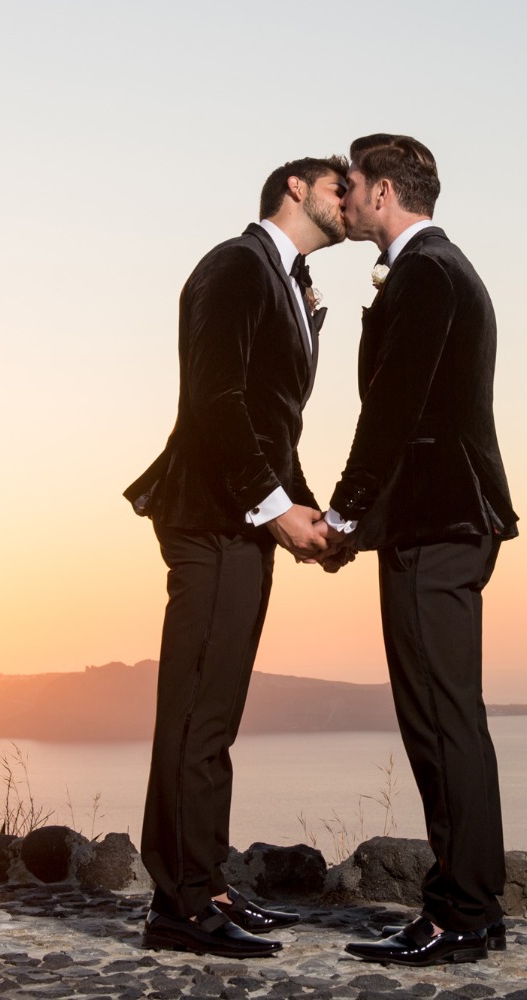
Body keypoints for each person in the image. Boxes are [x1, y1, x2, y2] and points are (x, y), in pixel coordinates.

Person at [123, 154, 348, 957]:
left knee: (214, 716)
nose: (349, 199)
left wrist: (308, 511)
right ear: (295, 189)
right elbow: (215, 400)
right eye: (336, 186)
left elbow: (270, 418)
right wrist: (272, 507)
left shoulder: (290, 284)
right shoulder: (234, 264)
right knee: (192, 712)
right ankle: (178, 904)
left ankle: (206, 882)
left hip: (243, 518)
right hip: (211, 517)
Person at [323, 134, 518, 967]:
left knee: (441, 720)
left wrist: (345, 512)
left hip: (436, 524)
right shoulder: (442, 268)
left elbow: (396, 411)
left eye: (356, 183)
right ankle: (470, 906)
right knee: (447, 718)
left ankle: (463, 915)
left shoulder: (429, 274)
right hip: (440, 521)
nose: (348, 195)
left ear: (385, 192)